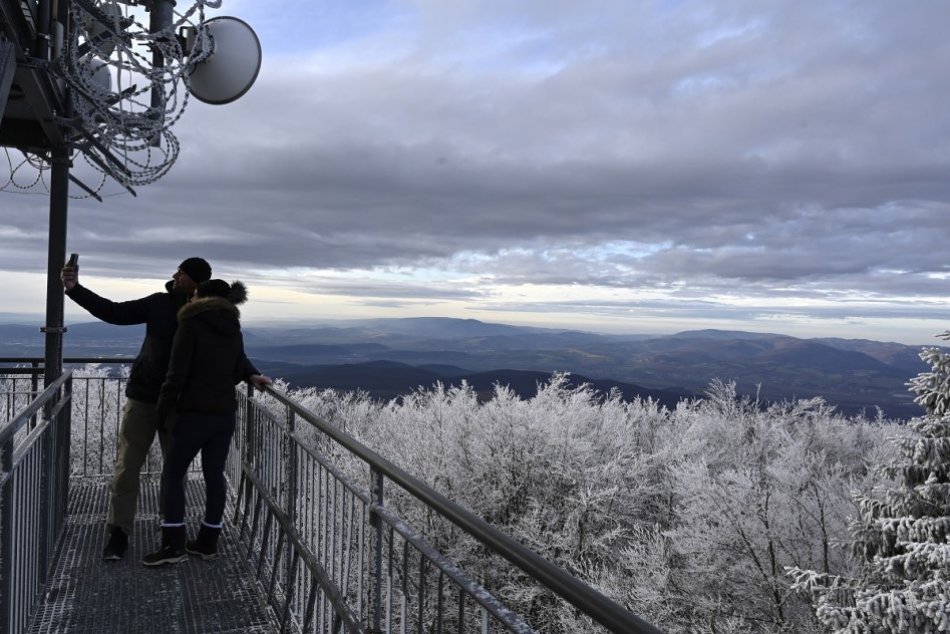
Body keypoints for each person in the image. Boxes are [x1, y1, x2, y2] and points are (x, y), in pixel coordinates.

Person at [62, 258, 270, 560]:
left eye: (181, 273)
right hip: (148, 399)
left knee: (173, 473)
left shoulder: (206, 314)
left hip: (179, 405)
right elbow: (114, 312)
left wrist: (250, 373)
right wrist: (74, 289)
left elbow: (231, 352)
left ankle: (169, 533)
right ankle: (120, 533)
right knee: (127, 468)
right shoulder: (160, 303)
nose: (174, 275)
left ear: (194, 283)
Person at [144, 279, 256, 566]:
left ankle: (173, 545)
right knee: (214, 475)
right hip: (224, 413)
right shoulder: (233, 326)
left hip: (194, 413)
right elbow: (238, 364)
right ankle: (208, 542)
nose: (190, 299)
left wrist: (163, 409)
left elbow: (176, 373)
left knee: (172, 474)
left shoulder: (190, 324)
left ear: (202, 297)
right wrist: (253, 375)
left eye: (194, 295)